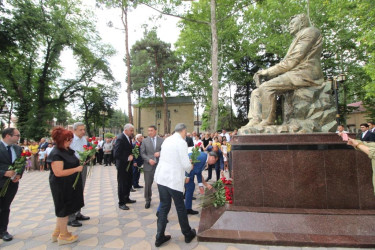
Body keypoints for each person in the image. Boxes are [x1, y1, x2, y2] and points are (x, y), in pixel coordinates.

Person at [246, 13, 324, 126]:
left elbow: (292, 61)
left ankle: (267, 121)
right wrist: (266, 74)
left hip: (304, 73)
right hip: (294, 73)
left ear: (302, 23)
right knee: (256, 92)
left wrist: (267, 72)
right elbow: (287, 63)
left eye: (293, 23)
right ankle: (255, 119)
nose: (289, 26)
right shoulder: (297, 38)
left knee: (267, 87)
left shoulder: (310, 32)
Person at [154, 123, 197, 247]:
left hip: (162, 178)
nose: (185, 135)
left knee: (164, 207)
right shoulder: (181, 142)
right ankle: (187, 234)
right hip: (173, 180)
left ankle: (159, 236)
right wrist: (190, 166)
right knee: (180, 207)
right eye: (186, 133)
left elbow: (168, 158)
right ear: (183, 131)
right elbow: (185, 163)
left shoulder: (167, 140)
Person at [48, 127, 84, 245]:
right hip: (61, 185)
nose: (70, 142)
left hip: (69, 184)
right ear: (60, 140)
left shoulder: (66, 150)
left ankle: (57, 231)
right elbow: (58, 173)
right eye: (68, 140)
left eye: (70, 139)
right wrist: (76, 169)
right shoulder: (56, 153)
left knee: (65, 208)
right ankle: (63, 235)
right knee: (63, 209)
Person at [0, 128, 23, 241]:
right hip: (1, 181)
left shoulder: (17, 148)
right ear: (8, 136)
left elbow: (22, 162)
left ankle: (3, 230)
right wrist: (4, 173)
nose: (19, 137)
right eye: (17, 135)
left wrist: (18, 174)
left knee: (5, 207)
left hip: (12, 184)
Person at [68, 122, 90, 227]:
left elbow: (85, 150)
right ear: (74, 130)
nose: (83, 131)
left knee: (80, 189)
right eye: (81, 130)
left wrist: (90, 154)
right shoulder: (70, 140)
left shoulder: (84, 139)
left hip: (83, 166)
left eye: (83, 129)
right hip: (73, 167)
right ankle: (70, 217)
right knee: (73, 191)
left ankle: (78, 212)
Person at [140, 125, 163, 209]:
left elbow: (166, 150)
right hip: (148, 165)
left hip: (159, 166)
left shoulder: (162, 140)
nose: (149, 132)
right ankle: (147, 200)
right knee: (148, 184)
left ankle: (163, 200)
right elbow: (142, 153)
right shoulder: (145, 141)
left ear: (155, 131)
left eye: (151, 130)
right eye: (148, 130)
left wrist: (160, 153)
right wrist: (149, 160)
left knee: (161, 183)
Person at [114, 124, 136, 210]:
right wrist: (127, 158)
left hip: (128, 164)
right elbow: (116, 154)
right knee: (122, 184)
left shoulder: (128, 137)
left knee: (128, 182)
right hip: (122, 165)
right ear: (126, 130)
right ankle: (121, 202)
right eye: (131, 130)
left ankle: (126, 198)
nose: (132, 132)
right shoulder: (120, 138)